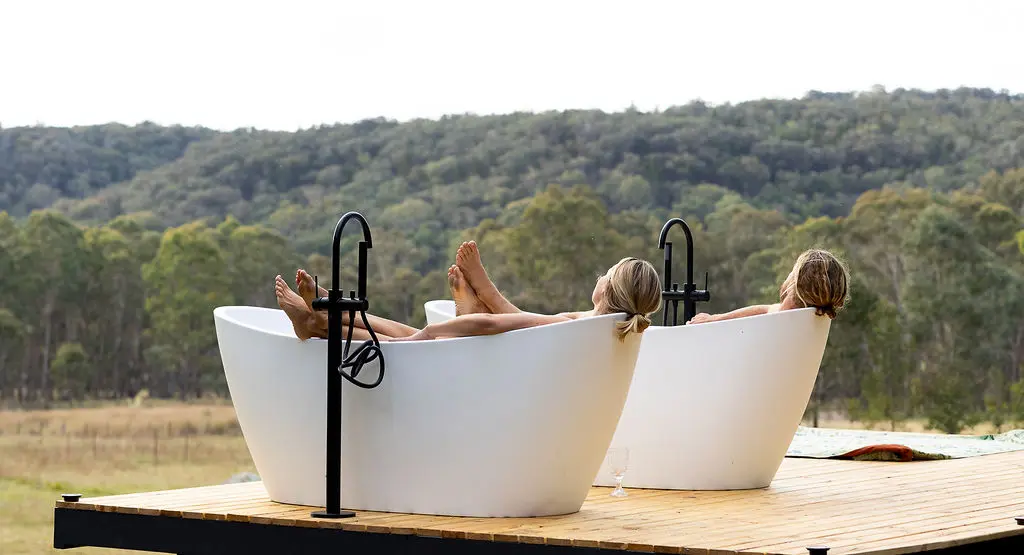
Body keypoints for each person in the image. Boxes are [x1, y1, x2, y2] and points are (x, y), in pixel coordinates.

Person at [274, 241, 661, 342]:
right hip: (505, 366)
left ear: (605, 289)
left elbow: (494, 326)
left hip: (487, 369)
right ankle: (321, 315)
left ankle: (318, 320)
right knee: (395, 332)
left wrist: (437, 331)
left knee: (399, 338)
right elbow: (516, 321)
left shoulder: (576, 326)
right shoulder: (603, 328)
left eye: (603, 274)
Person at [686, 249, 848, 324]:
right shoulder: (812, 317)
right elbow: (767, 309)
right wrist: (714, 319)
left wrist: (712, 322)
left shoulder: (772, 325)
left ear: (794, 283)